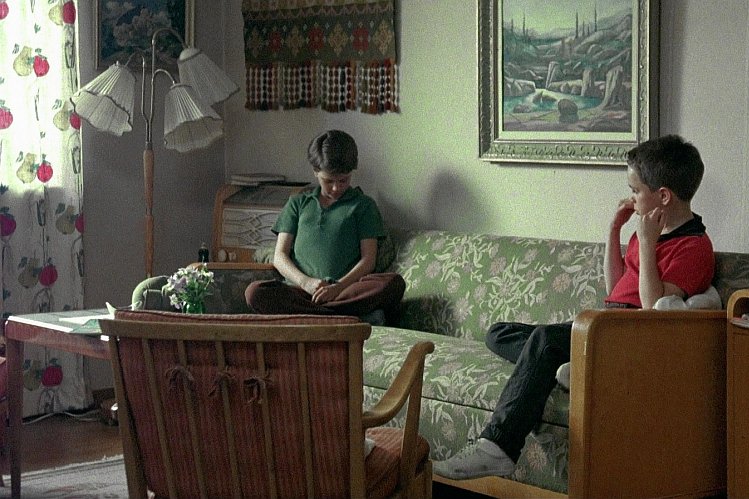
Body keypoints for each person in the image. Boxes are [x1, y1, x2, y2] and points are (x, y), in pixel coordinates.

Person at [433, 134, 715, 480]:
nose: (631, 197)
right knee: (498, 332)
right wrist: (614, 230)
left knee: (543, 341)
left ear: (664, 196)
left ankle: (498, 448)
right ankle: (574, 364)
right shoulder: (648, 231)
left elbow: (650, 308)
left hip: (628, 334)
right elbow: (614, 290)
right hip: (606, 320)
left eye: (636, 190)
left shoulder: (694, 247)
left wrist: (646, 243)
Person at [245, 130, 405, 320]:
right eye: (328, 181)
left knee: (393, 283)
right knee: (255, 292)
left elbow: (368, 260)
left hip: (344, 291)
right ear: (315, 172)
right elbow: (279, 257)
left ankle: (317, 316)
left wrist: (338, 287)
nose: (336, 188)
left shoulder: (363, 205)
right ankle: (338, 316)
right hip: (302, 292)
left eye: (343, 180)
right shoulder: (298, 203)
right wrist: (306, 283)